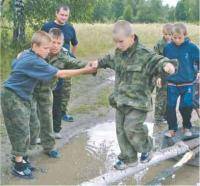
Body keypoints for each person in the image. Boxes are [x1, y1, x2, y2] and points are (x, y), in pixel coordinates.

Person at [0, 31, 96, 179]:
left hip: (24, 96)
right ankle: (18, 166)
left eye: (50, 47)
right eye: (45, 48)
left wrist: (87, 65)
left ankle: (22, 157)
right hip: (13, 96)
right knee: (21, 130)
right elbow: (61, 74)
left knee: (32, 126)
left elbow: (17, 61)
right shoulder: (34, 60)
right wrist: (86, 70)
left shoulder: (30, 55)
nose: (49, 50)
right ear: (35, 46)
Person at [92, 20, 176, 170]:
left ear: (132, 37)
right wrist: (97, 63)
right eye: (116, 42)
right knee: (121, 131)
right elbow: (108, 59)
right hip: (120, 100)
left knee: (131, 128)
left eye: (121, 41)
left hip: (138, 102)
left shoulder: (144, 54)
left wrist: (167, 66)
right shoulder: (119, 53)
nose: (118, 45)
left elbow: (158, 61)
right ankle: (128, 158)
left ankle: (147, 147)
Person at [42, 5, 78, 122]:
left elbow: (75, 44)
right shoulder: (47, 26)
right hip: (50, 62)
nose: (63, 17)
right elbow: (40, 42)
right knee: (49, 89)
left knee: (65, 89)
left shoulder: (70, 28)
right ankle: (47, 114)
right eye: (62, 14)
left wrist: (72, 57)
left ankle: (62, 113)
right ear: (56, 14)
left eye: (66, 15)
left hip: (65, 62)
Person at [163, 23, 200, 138]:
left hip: (188, 83)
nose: (177, 40)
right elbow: (162, 63)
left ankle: (186, 126)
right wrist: (160, 76)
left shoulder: (192, 47)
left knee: (186, 106)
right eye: (174, 37)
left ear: (185, 35)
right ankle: (172, 128)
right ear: (171, 36)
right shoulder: (167, 48)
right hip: (172, 83)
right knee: (169, 106)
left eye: (180, 37)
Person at [154, 23, 173, 126]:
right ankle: (158, 117)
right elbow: (155, 61)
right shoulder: (159, 45)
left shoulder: (175, 43)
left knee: (169, 95)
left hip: (172, 75)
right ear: (163, 33)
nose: (168, 37)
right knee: (160, 96)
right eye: (166, 34)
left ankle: (166, 115)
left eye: (170, 34)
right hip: (161, 75)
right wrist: (157, 76)